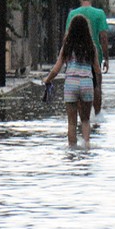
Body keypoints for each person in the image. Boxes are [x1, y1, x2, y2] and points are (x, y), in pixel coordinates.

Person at [42, 14, 102, 147]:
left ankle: (72, 150)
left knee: (72, 122)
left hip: (71, 84)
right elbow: (97, 69)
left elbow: (56, 69)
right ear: (87, 30)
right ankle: (87, 146)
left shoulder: (67, 46)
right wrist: (97, 85)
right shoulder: (91, 47)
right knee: (85, 120)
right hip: (87, 83)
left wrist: (47, 79)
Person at [65, 0, 109, 122]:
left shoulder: (73, 13)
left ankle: (81, 116)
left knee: (77, 82)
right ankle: (97, 115)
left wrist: (65, 55)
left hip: (75, 55)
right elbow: (103, 36)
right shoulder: (99, 13)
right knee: (96, 85)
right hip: (94, 54)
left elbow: (66, 36)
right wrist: (106, 57)